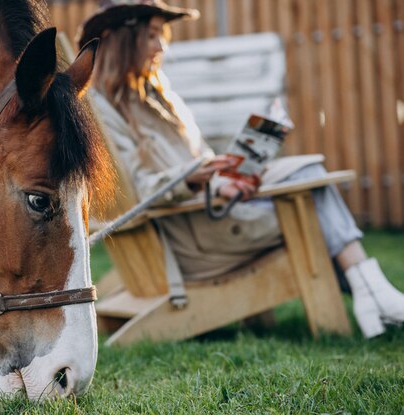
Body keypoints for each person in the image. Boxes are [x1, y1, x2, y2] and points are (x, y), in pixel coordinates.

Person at [78, 0, 404, 338]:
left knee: (306, 173)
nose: (162, 45)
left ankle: (372, 294)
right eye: (151, 35)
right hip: (193, 239)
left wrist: (224, 181)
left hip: (210, 212)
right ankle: (372, 291)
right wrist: (192, 180)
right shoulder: (101, 113)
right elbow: (134, 191)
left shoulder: (159, 98)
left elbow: (200, 157)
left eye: (162, 35)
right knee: (310, 189)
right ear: (120, 40)